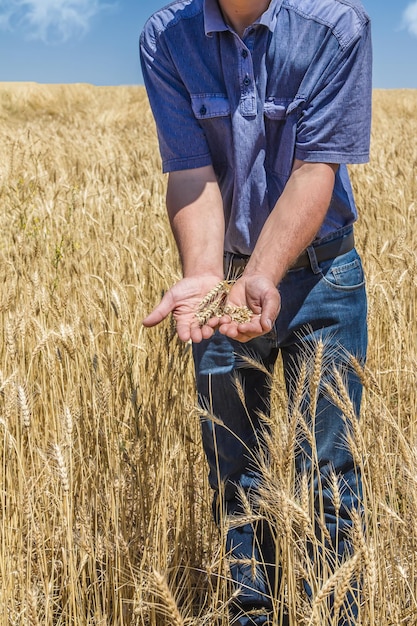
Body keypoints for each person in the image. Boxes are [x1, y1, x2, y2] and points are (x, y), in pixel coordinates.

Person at [140, 0, 372, 623]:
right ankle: (253, 615)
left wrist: (263, 274)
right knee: (233, 474)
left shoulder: (337, 29)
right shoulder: (168, 39)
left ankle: (332, 613)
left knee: (327, 471)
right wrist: (209, 280)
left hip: (323, 277)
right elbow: (191, 172)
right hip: (227, 281)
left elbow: (315, 166)